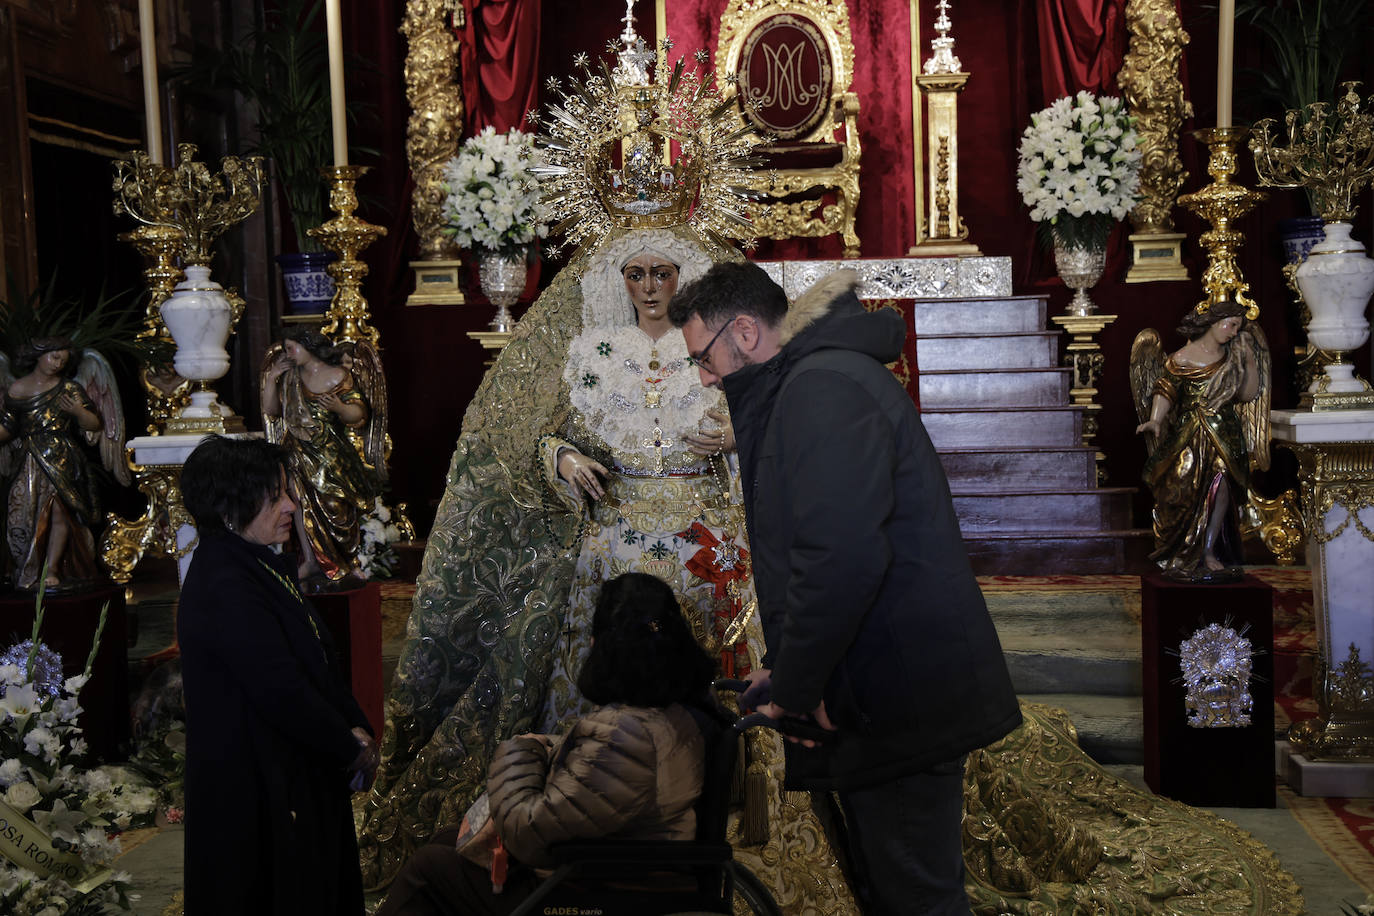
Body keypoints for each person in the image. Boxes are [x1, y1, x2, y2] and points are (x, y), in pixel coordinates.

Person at [359, 228, 857, 914]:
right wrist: (564, 458)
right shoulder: (591, 349)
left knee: (718, 653)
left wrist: (737, 434)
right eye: (635, 273)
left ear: (685, 278)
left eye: (662, 272)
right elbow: (541, 435)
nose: (650, 287)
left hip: (704, 539)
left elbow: (783, 431)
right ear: (617, 280)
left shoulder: (714, 348)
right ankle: (589, 785)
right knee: (602, 644)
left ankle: (725, 806)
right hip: (611, 537)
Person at [669, 262, 1023, 916]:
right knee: (895, 889)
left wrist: (799, 690)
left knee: (916, 898)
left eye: (704, 358)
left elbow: (840, 560)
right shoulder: (814, 381)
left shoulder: (821, 388)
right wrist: (790, 673)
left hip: (895, 695)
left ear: (743, 332)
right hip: (879, 686)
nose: (705, 378)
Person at [375, 572, 716, 916]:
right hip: (625, 876)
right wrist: (555, 748)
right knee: (448, 842)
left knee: (427, 870)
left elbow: (526, 833)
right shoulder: (671, 714)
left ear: (605, 645)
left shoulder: (624, 734)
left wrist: (520, 752)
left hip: (604, 894)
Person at [177, 435, 379, 915]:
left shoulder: (252, 563)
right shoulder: (225, 581)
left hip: (286, 771)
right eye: (275, 497)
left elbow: (316, 658)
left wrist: (356, 729)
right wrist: (348, 746)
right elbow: (279, 685)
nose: (291, 505)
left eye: (287, 492)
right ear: (229, 509)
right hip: (255, 788)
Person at [1131, 298, 1269, 582]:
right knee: (1182, 487)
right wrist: (1155, 420)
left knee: (1221, 486)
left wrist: (1249, 361)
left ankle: (1208, 550)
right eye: (1231, 325)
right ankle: (1181, 551)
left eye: (1238, 327)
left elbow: (1247, 395)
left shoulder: (1233, 356)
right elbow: (1166, 390)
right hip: (1188, 436)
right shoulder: (1181, 358)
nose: (1234, 332)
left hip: (1224, 436)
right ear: (1214, 323)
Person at [260, 326, 383, 586]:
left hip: (331, 456)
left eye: (291, 348)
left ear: (308, 346)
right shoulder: (290, 377)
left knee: (337, 507)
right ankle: (311, 561)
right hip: (297, 453)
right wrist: (271, 378)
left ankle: (348, 561)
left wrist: (340, 407)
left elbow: (359, 415)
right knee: (301, 504)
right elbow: (272, 411)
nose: (288, 354)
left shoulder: (339, 375)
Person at [0, 336, 125, 591]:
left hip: (61, 459)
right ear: (39, 355)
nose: (58, 364)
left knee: (60, 513)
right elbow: (8, 427)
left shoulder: (69, 388)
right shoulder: (17, 389)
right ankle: (26, 570)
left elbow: (94, 423)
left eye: (63, 361)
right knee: (22, 512)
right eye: (54, 357)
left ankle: (53, 569)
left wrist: (78, 412)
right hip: (28, 460)